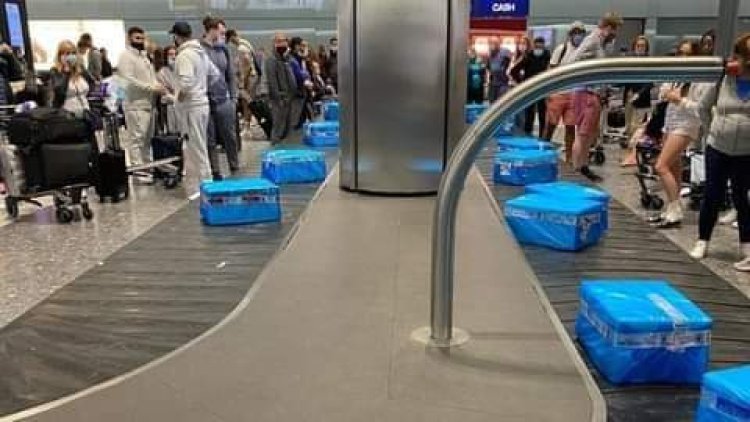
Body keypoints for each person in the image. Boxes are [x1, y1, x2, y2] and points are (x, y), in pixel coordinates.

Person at [690, 33, 750, 272]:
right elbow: (703, 108)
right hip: (718, 147)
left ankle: (747, 248)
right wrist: (710, 132)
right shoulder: (724, 79)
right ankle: (702, 240)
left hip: (746, 152)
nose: (738, 60)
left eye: (743, 56)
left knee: (741, 198)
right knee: (712, 195)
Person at [563, 12, 624, 182]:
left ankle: (582, 167)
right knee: (582, 135)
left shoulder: (600, 43)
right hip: (585, 93)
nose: (615, 34)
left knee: (589, 134)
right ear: (608, 27)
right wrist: (586, 72)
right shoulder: (592, 40)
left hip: (592, 93)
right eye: (615, 30)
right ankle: (577, 170)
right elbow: (572, 60)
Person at [650, 41, 706, 228]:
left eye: (686, 54)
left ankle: (675, 209)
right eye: (679, 53)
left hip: (686, 125)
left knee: (661, 166)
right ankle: (672, 207)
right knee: (673, 168)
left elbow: (701, 109)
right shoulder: (676, 74)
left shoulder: (700, 79)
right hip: (670, 123)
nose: (682, 57)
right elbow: (662, 93)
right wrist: (666, 94)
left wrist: (680, 100)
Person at [170, 21, 214, 192]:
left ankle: (206, 186)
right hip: (202, 103)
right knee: (196, 145)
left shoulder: (184, 55)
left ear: (176, 36)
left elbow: (186, 82)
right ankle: (198, 185)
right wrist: (202, 89)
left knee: (197, 147)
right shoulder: (201, 52)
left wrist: (178, 98)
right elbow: (214, 74)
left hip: (191, 106)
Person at [118, 26, 165, 174]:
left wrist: (157, 86)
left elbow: (150, 77)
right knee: (137, 138)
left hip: (149, 104)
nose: (140, 41)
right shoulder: (126, 56)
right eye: (137, 38)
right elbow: (129, 79)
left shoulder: (144, 57)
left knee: (147, 139)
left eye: (142, 38)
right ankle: (138, 170)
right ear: (129, 39)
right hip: (135, 105)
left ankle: (147, 166)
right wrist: (151, 87)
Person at [201, 16, 240, 179]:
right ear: (212, 30)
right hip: (206, 99)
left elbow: (230, 75)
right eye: (221, 32)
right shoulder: (200, 49)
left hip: (224, 99)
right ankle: (215, 170)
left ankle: (234, 165)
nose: (224, 35)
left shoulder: (224, 49)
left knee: (229, 135)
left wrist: (233, 98)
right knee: (210, 137)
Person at [545, 21, 587, 162]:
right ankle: (543, 151)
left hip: (574, 94)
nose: (578, 36)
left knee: (570, 127)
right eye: (575, 33)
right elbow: (551, 69)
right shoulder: (561, 49)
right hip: (558, 93)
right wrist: (549, 92)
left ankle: (569, 158)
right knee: (551, 125)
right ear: (570, 35)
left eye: (580, 33)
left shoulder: (585, 51)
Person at [621, 36, 655, 167]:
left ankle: (633, 155)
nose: (640, 48)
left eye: (643, 46)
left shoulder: (649, 63)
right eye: (638, 46)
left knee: (638, 128)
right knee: (629, 127)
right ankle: (630, 153)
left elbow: (650, 82)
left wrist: (639, 94)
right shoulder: (631, 60)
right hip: (629, 97)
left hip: (642, 100)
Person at [265, 32, 297, 144]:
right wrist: (279, 99)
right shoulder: (271, 60)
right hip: (280, 100)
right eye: (279, 41)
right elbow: (272, 82)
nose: (282, 43)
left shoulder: (287, 59)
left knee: (287, 130)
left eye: (284, 41)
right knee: (278, 128)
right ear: (274, 43)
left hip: (289, 98)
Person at [48, 40, 94, 115]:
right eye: (67, 53)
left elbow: (91, 82)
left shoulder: (80, 69)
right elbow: (60, 93)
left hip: (85, 113)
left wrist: (79, 67)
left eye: (73, 53)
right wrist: (66, 71)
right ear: (60, 56)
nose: (70, 56)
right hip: (67, 116)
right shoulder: (55, 71)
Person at [524, 37, 551, 137]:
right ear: (534, 45)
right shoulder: (528, 56)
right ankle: (527, 134)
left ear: (544, 46)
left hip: (543, 88)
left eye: (541, 45)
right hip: (530, 88)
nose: (538, 48)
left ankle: (542, 135)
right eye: (537, 45)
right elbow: (520, 70)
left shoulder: (548, 56)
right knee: (529, 113)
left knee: (542, 113)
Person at [288, 36, 312, 129]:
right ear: (296, 45)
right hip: (297, 86)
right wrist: (305, 78)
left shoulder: (299, 56)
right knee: (297, 112)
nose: (303, 47)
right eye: (301, 45)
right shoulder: (292, 57)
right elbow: (299, 72)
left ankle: (301, 125)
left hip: (303, 84)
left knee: (303, 109)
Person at [508, 36, 531, 132]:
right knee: (512, 112)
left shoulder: (529, 58)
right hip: (512, 87)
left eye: (524, 43)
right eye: (520, 43)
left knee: (521, 113)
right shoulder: (515, 57)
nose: (522, 46)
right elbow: (509, 71)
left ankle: (521, 132)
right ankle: (514, 131)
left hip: (523, 88)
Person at [156, 45, 181, 134]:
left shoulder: (181, 70)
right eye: (170, 54)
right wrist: (174, 96)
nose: (173, 57)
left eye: (175, 54)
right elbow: (164, 92)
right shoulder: (161, 73)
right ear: (165, 57)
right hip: (169, 106)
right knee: (172, 132)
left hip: (182, 105)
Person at [487, 38, 511, 102]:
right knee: (492, 103)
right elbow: (489, 68)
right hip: (493, 83)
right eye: (491, 43)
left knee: (501, 102)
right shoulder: (490, 55)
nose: (492, 45)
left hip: (502, 83)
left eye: (494, 43)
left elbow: (504, 67)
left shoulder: (505, 52)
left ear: (498, 44)